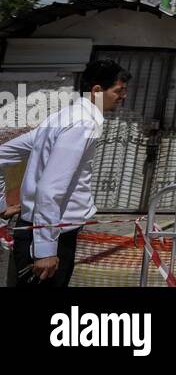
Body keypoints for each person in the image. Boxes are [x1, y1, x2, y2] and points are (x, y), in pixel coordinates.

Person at [0, 58, 129, 287]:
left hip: (35, 229)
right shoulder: (82, 123)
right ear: (97, 90)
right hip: (51, 236)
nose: (123, 97)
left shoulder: (63, 116)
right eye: (119, 91)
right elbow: (51, 189)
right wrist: (45, 249)